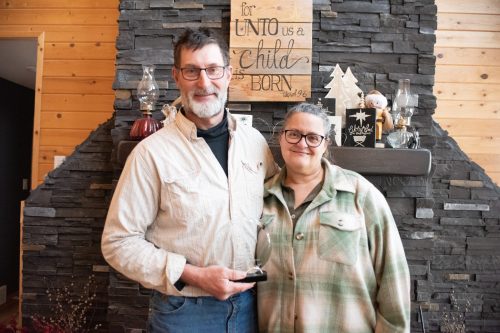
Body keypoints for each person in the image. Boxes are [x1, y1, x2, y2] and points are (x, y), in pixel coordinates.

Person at [101, 28, 278, 333]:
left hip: (252, 306)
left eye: (213, 69)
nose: (204, 82)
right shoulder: (151, 154)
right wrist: (194, 275)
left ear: (228, 74)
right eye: (192, 71)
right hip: (184, 312)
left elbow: (279, 209)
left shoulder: (255, 143)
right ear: (177, 76)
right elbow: (118, 243)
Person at [257, 102, 411, 332]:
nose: (301, 143)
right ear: (281, 138)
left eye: (312, 137)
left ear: (326, 143)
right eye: (294, 134)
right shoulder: (259, 199)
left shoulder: (361, 194)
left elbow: (393, 276)